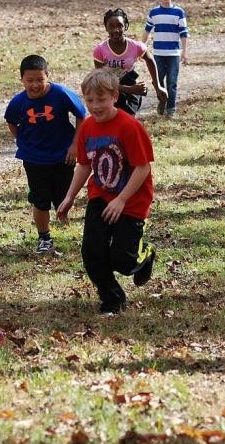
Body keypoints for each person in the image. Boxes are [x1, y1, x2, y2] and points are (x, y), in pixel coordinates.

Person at [56, 69, 157, 316]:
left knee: (123, 260)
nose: (95, 106)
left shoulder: (129, 127)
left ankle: (146, 254)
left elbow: (143, 167)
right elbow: (84, 164)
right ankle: (112, 298)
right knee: (92, 252)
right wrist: (69, 197)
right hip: (100, 196)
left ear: (114, 97)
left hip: (131, 201)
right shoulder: (88, 128)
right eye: (89, 100)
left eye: (101, 100)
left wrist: (122, 200)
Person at [4, 55, 87, 254]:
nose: (35, 85)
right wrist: (24, 143)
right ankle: (44, 238)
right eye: (29, 80)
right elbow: (11, 122)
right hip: (33, 158)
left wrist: (75, 145)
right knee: (40, 200)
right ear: (22, 79)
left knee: (63, 197)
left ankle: (65, 221)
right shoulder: (18, 102)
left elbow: (81, 115)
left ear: (48, 76)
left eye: (40, 79)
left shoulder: (60, 94)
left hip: (63, 155)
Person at [95, 8, 167, 117]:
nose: (115, 30)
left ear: (126, 26)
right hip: (108, 88)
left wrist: (158, 87)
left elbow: (150, 60)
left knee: (127, 120)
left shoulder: (136, 47)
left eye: (119, 26)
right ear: (106, 28)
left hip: (129, 87)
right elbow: (101, 80)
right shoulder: (100, 50)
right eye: (111, 26)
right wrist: (129, 89)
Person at [142, 0, 189, 117]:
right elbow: (147, 30)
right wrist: (141, 47)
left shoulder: (179, 12)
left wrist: (184, 52)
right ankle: (162, 101)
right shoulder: (154, 12)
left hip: (173, 53)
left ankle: (171, 109)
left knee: (172, 82)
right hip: (158, 53)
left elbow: (184, 33)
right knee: (158, 80)